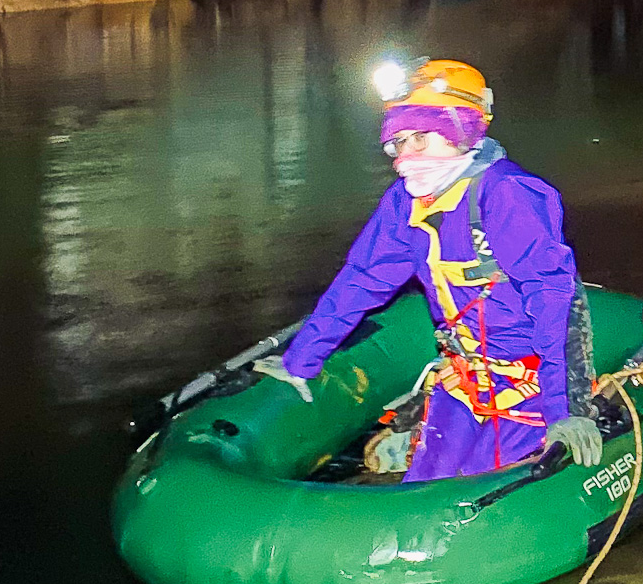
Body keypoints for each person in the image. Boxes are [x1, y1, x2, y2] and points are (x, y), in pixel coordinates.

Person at [251, 59, 604, 480]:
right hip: (463, 378)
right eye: (398, 141)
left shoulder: (509, 195)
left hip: (527, 386)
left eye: (421, 136)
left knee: (484, 491)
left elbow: (553, 301)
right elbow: (361, 280)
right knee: (422, 485)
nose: (406, 155)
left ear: (462, 131)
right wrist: (300, 360)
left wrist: (566, 411)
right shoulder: (406, 203)